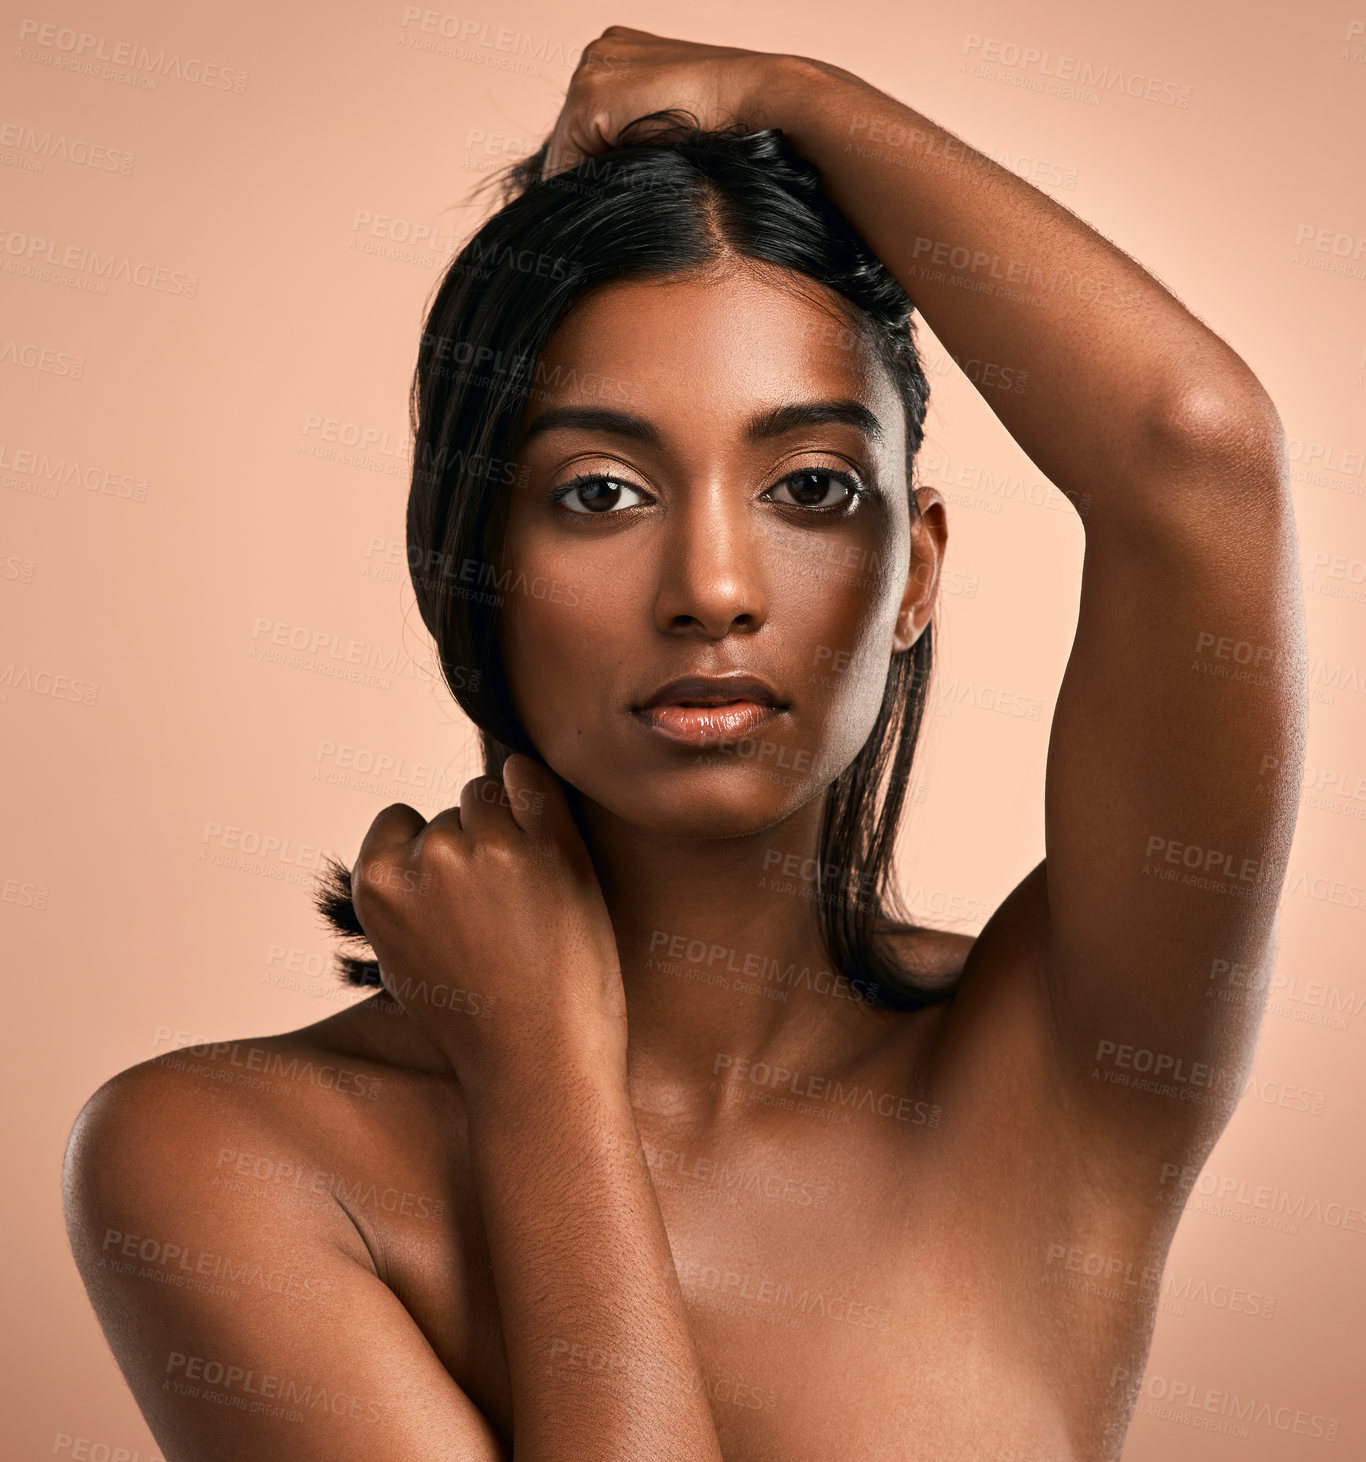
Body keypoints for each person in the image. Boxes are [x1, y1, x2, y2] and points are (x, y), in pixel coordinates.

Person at [62, 26, 1305, 1462]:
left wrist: (795, 99)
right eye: (598, 491)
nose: (712, 585)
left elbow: (1194, 446)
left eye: (812, 485)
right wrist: (547, 1088)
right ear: (468, 563)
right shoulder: (228, 1163)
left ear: (913, 571)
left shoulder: (1071, 1049)